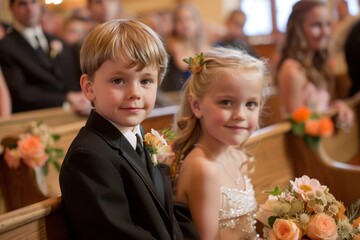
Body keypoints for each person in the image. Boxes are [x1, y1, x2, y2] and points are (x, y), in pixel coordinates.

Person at [59, 19, 199, 240]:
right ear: (89, 87)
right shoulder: (88, 158)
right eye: (118, 80)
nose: (135, 93)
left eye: (145, 81)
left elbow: (167, 215)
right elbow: (120, 233)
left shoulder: (139, 136)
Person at [172, 47, 269, 239]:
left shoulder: (236, 153)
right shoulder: (204, 169)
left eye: (250, 104)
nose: (240, 115)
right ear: (197, 105)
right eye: (226, 102)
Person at [0, 0, 90, 115]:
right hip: (38, 116)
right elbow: (20, 92)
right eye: (22, 4)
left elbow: (73, 78)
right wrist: (66, 98)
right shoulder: (5, 47)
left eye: (34, 2)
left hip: (77, 113)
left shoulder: (59, 41)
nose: (30, 9)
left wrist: (84, 98)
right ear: (11, 9)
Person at [274, 0, 353, 128]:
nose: (325, 32)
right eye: (316, 25)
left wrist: (336, 106)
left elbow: (318, 109)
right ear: (298, 28)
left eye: (328, 24)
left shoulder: (315, 63)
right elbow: (299, 126)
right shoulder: (292, 69)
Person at [160, 3, 210, 92]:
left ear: (197, 22)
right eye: (180, 20)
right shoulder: (168, 51)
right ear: (174, 24)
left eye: (189, 19)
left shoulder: (207, 51)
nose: (185, 24)